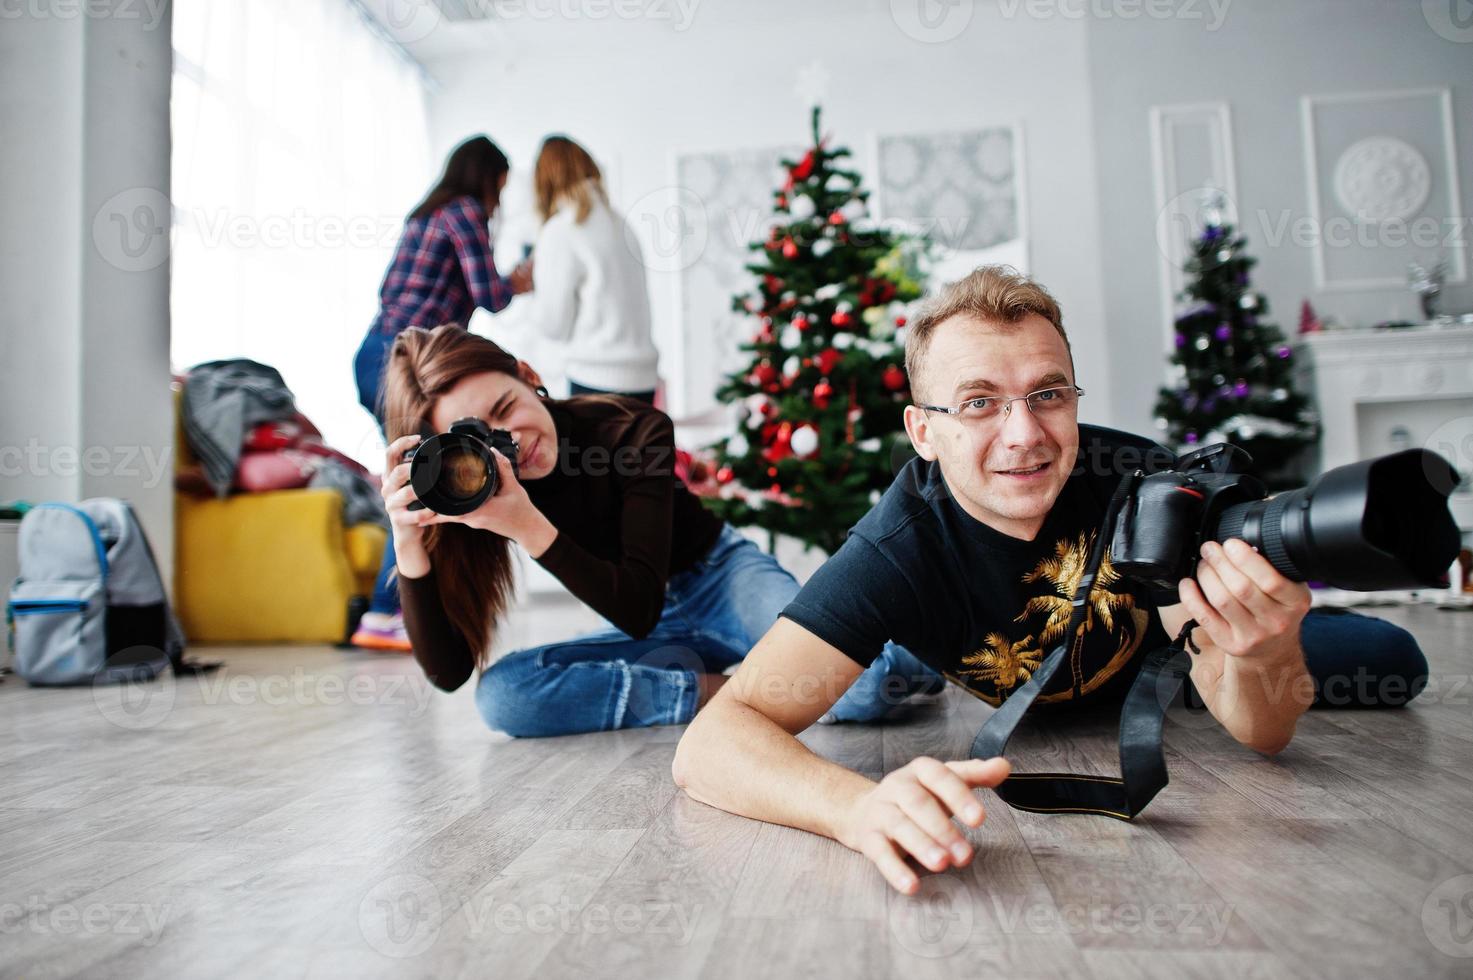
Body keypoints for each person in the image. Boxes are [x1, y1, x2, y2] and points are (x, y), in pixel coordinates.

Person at [672, 266, 1430, 896]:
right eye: (977, 403)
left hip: (1163, 679)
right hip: (1009, 687)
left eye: (1048, 393)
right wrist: (857, 808)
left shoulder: (1145, 484)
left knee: (1390, 660)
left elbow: (1258, 735)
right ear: (923, 432)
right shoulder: (897, 546)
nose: (1024, 433)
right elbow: (711, 746)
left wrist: (1264, 653)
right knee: (867, 680)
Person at [381, 325, 819, 737]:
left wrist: (527, 526)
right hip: (656, 628)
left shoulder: (630, 428)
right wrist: (408, 541)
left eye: (506, 407)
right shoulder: (471, 490)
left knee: (861, 688)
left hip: (720, 577)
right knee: (504, 695)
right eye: (477, 438)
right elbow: (448, 673)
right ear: (451, 454)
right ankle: (727, 694)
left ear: (528, 376)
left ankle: (767, 685)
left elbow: (638, 606)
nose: (510, 440)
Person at [351, 135, 533, 651]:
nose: (499, 197)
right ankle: (387, 614)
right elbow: (490, 295)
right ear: (490, 177)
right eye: (500, 184)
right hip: (403, 363)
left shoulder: (426, 214)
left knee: (418, 474)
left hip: (376, 352)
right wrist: (520, 280)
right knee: (418, 481)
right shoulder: (465, 211)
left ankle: (392, 612)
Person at [527, 135, 660, 403]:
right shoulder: (621, 223)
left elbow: (554, 326)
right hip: (643, 378)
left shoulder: (561, 230)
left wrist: (536, 287)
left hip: (596, 379)